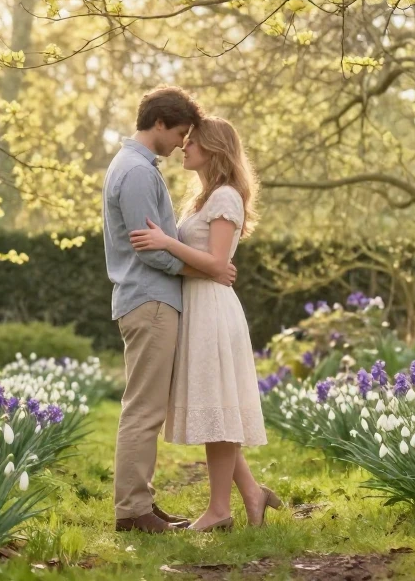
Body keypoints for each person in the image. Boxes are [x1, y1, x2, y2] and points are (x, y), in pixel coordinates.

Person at [130, 117, 281, 532]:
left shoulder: (227, 197)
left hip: (214, 311)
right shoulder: (204, 198)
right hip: (198, 305)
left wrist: (165, 242)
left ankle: (219, 511)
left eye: (192, 142)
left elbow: (217, 263)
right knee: (216, 411)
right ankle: (251, 493)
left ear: (214, 149)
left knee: (219, 411)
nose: (184, 147)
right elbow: (211, 264)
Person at [102, 86, 236, 533]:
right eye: (180, 132)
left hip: (150, 299)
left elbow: (158, 242)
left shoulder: (136, 167)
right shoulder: (138, 173)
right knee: (143, 410)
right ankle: (133, 512)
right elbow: (152, 251)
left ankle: (141, 503)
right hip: (151, 299)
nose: (183, 142)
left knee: (145, 407)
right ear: (160, 123)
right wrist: (209, 271)